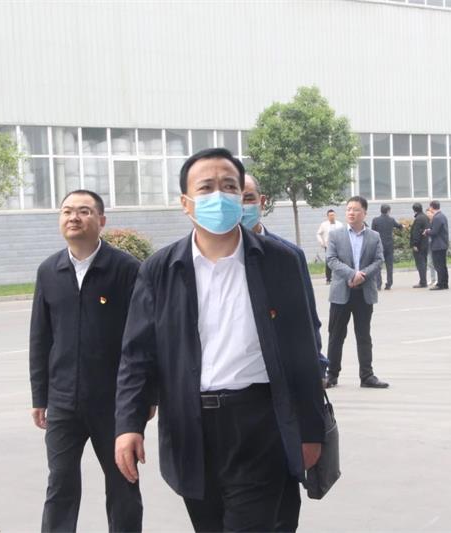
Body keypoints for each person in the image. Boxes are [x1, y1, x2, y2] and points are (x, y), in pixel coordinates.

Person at [113, 148, 325, 532]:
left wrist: (310, 431)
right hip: (189, 427)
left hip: (259, 424)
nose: (219, 196)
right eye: (206, 187)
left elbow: (303, 351)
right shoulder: (160, 270)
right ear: (186, 203)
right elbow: (138, 355)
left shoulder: (280, 261)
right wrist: (129, 424)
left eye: (229, 186)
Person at [29, 189, 144, 533]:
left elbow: (143, 338)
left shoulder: (125, 269)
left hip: (114, 403)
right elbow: (40, 337)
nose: (74, 218)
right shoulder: (49, 271)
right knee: (60, 484)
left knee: (123, 483)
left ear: (101, 220)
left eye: (84, 211)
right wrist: (40, 396)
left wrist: (146, 396)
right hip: (63, 401)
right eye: (67, 211)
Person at [241, 173, 324, 532]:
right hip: (226, 410)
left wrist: (311, 411)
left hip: (280, 402)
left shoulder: (286, 257)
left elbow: (308, 329)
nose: (239, 205)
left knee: (280, 508)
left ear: (262, 201)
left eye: (247, 197)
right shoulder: (193, 263)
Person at [324, 196, 388, 389]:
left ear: (364, 213)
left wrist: (363, 276)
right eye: (349, 209)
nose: (351, 213)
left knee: (364, 335)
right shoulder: (336, 235)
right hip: (341, 292)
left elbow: (379, 260)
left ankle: (367, 376)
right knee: (336, 335)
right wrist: (352, 274)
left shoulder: (374, 236)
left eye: (356, 209)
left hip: (364, 293)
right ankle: (331, 375)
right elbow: (331, 259)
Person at [371, 204, 403, 290]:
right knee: (389, 266)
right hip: (389, 245)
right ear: (388, 211)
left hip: (379, 245)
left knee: (378, 265)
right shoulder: (391, 220)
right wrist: (402, 226)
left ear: (380, 210)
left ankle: (378, 284)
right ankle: (389, 284)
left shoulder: (375, 220)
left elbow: (372, 232)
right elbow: (399, 226)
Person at [425, 200, 449, 290]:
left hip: (438, 245)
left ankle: (440, 284)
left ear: (431, 207)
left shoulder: (437, 217)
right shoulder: (442, 216)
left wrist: (427, 232)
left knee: (439, 265)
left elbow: (434, 232)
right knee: (443, 265)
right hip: (442, 244)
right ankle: (445, 283)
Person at [316, 209, 343, 284]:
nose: (332, 217)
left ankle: (339, 277)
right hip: (328, 246)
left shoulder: (340, 224)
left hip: (338, 246)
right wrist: (321, 242)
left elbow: (343, 234)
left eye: (333, 215)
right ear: (327, 216)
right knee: (329, 262)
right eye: (330, 215)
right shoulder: (324, 225)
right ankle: (328, 279)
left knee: (339, 261)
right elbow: (318, 233)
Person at [409, 202, 429, 288]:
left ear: (414, 210)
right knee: (424, 262)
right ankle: (423, 280)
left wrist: (415, 244)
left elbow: (416, 233)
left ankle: (423, 282)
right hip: (425, 243)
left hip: (419, 245)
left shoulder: (418, 219)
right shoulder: (425, 217)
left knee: (420, 264)